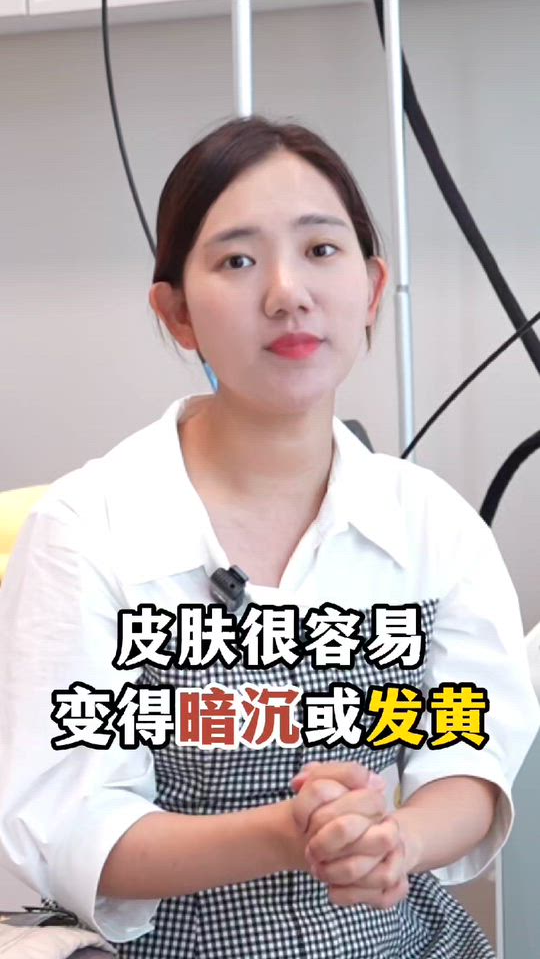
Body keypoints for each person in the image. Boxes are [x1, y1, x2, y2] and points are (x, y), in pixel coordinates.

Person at [0, 114, 538, 959]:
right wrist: (289, 833)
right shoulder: (85, 529)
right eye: (238, 261)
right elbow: (72, 826)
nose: (288, 292)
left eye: (321, 250)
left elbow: (469, 760)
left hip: (399, 937)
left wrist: (396, 841)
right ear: (177, 313)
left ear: (372, 287)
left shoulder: (432, 524)